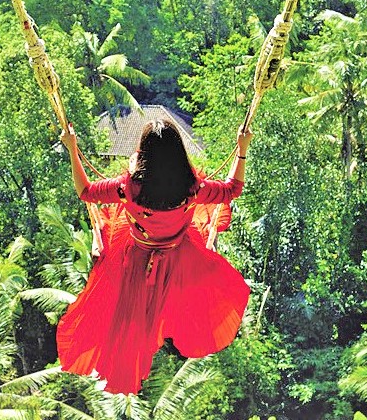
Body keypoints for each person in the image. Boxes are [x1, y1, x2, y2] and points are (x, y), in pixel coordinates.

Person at [57, 119, 253, 394]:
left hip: (135, 257)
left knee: (129, 319)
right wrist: (242, 149)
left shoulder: (129, 188)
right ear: (178, 154)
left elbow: (86, 192)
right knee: (176, 303)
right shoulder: (192, 187)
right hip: (178, 256)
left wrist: (72, 149)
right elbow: (232, 188)